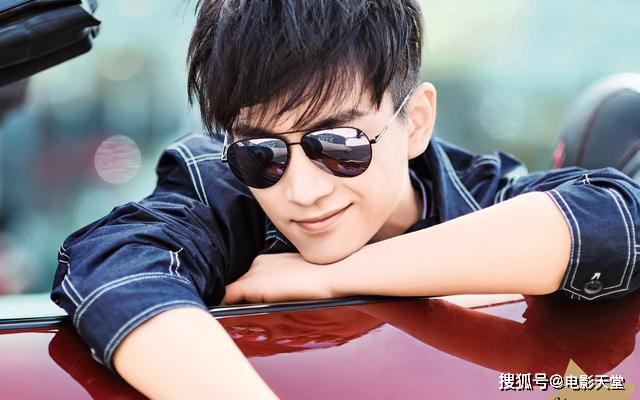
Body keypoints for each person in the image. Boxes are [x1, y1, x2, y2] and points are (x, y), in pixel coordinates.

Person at [51, 0, 640, 398]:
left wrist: (334, 275)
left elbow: (618, 217)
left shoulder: (483, 197)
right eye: (262, 154)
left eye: (339, 144)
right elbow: (115, 263)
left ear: (415, 121)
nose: (302, 191)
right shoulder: (220, 192)